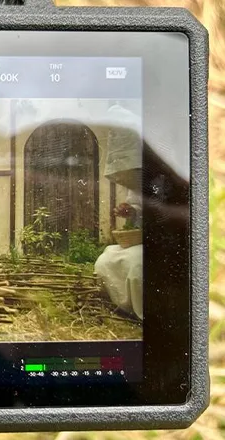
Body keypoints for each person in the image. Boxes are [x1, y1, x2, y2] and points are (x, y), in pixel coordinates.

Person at [94, 102, 143, 320]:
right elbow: (137, 206)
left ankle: (144, 313)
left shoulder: (161, 179)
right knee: (106, 259)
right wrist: (129, 210)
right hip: (140, 241)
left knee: (136, 266)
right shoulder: (137, 184)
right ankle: (124, 308)